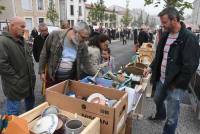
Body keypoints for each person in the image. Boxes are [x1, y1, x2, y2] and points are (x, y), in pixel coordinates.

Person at [143, 7, 200, 134]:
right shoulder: (165, 35)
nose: (162, 25)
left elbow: (191, 66)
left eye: (164, 22)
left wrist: (178, 84)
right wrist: (151, 67)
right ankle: (160, 114)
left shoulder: (189, 38)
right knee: (157, 99)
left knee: (172, 115)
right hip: (162, 79)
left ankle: (168, 132)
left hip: (175, 84)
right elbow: (159, 56)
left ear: (174, 20)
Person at [39, 21, 96, 87]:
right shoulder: (55, 35)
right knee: (53, 96)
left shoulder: (83, 45)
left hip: (69, 80)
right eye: (83, 37)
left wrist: (97, 75)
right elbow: (44, 53)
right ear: (75, 32)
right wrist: (41, 71)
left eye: (86, 38)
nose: (84, 41)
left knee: (67, 96)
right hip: (52, 78)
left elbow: (87, 63)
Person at [0, 16, 36, 115]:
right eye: (22, 26)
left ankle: (28, 124)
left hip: (28, 82)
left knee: (30, 108)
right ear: (12, 26)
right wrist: (16, 79)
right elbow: (2, 64)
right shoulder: (2, 41)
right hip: (14, 85)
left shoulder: (22, 40)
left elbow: (29, 58)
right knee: (13, 112)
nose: (24, 29)